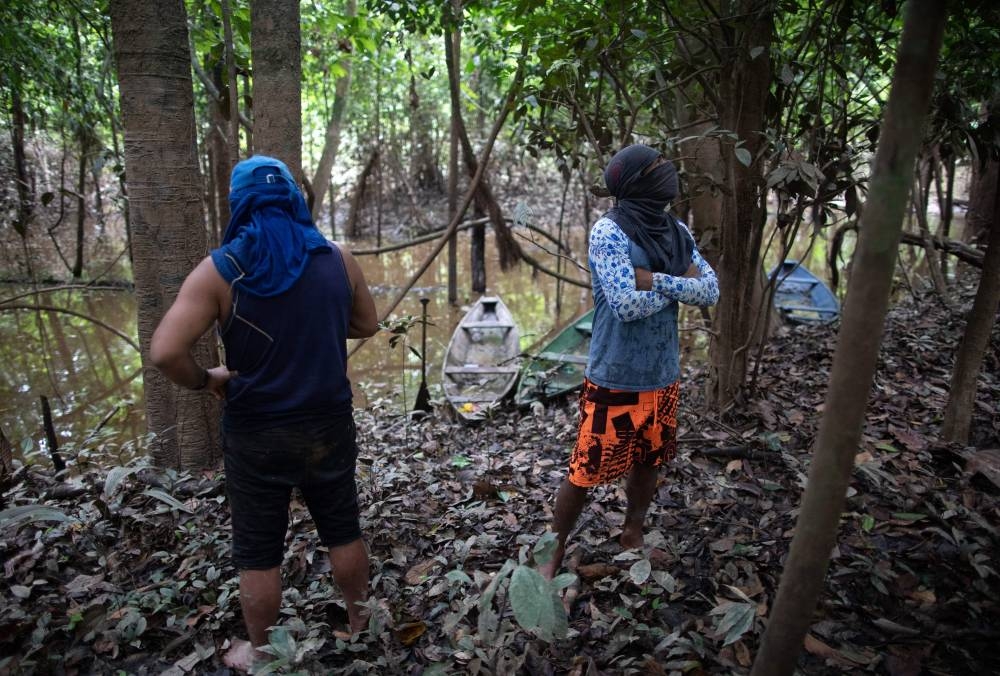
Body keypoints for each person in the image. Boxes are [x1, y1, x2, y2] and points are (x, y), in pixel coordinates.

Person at [149, 155, 378, 669]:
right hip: (327, 425)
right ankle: (361, 624)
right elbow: (367, 323)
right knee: (342, 526)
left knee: (258, 547)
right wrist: (314, 328)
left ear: (240, 206)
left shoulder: (222, 270)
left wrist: (206, 379)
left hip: (257, 433)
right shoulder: (338, 259)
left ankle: (261, 651)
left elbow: (165, 351)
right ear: (294, 199)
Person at [540, 144, 719, 579]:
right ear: (637, 181)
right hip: (615, 375)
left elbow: (711, 290)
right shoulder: (609, 232)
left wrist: (651, 278)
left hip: (662, 373)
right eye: (657, 167)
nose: (668, 171)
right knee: (585, 468)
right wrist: (679, 284)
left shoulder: (676, 231)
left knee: (649, 460)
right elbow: (625, 305)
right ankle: (552, 551)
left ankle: (632, 533)